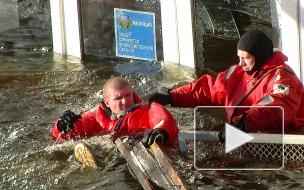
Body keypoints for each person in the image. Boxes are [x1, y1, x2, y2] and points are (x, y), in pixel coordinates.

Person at [148, 29, 304, 142]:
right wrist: (172, 97)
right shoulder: (238, 72)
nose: (240, 63)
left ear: (260, 56)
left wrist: (244, 123)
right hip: (242, 132)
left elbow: (277, 106)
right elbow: (210, 89)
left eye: (246, 58)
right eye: (239, 57)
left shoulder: (282, 78)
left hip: (278, 142)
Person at [52, 77, 179, 165]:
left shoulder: (148, 109)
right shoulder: (96, 116)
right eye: (118, 98)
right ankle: (96, 162)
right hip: (112, 149)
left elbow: (164, 119)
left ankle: (101, 163)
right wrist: (61, 126)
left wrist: (161, 130)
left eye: (128, 96)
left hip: (140, 149)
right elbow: (76, 129)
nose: (125, 101)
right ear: (107, 102)